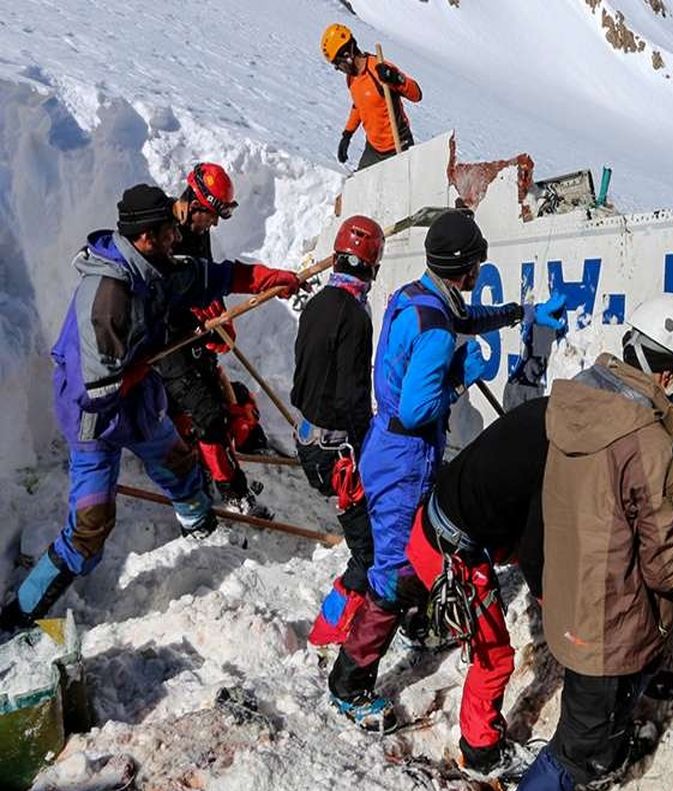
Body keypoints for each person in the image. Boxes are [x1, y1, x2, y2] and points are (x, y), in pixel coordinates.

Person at [0, 185, 302, 632]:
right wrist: (144, 365)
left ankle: (200, 537)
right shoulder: (106, 302)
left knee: (182, 467)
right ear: (144, 237)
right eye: (166, 233)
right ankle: (21, 612)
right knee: (90, 526)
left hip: (138, 404)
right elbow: (95, 390)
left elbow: (209, 277)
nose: (174, 239)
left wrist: (263, 279)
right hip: (95, 421)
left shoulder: (155, 268)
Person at [326, 209, 566, 730]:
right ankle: (349, 682)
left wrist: (519, 315)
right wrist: (458, 378)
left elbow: (459, 319)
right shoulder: (437, 331)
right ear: (468, 267)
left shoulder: (417, 296)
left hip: (386, 447)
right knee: (392, 574)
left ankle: (415, 621)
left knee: (414, 556)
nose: (481, 269)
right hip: (404, 458)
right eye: (478, 262)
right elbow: (417, 408)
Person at [514, 293, 673, 791]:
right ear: (667, 375)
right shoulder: (646, 441)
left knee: (591, 726)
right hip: (610, 622)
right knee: (572, 752)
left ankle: (602, 759)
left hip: (572, 599)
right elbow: (668, 568)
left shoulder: (576, 402)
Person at [406, 395, 550, 780]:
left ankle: (424, 623)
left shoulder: (540, 413)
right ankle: (482, 749)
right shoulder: (555, 459)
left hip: (430, 525)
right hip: (454, 559)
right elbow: (536, 556)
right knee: (496, 657)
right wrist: (552, 604)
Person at [158, 162, 271, 519]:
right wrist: (196, 316)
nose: (215, 223)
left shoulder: (197, 229)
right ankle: (231, 491)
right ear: (192, 202)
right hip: (163, 342)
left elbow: (205, 278)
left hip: (191, 335)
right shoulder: (161, 230)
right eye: (211, 214)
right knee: (207, 415)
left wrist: (216, 315)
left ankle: (220, 469)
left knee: (220, 399)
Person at [293, 215, 385, 647]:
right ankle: (329, 631)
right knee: (369, 554)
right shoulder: (355, 315)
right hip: (336, 454)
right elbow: (351, 395)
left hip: (308, 437)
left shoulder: (317, 303)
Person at [320, 23, 422, 171]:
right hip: (374, 149)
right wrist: (347, 135)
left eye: (338, 64)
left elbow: (417, 94)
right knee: (361, 189)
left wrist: (396, 78)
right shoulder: (351, 79)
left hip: (398, 146)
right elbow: (359, 105)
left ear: (348, 55)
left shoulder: (379, 69)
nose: (338, 69)